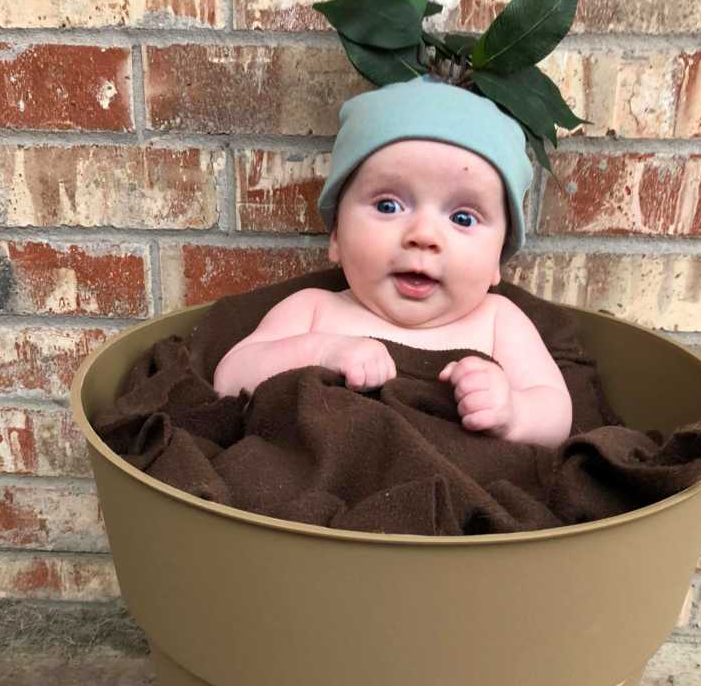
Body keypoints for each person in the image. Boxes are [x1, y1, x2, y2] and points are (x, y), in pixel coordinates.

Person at [212, 75, 572, 448]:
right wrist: (323, 351)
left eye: (463, 218)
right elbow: (230, 377)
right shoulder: (313, 309)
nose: (423, 235)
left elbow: (557, 414)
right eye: (388, 206)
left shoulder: (500, 321)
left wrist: (514, 412)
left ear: (499, 256)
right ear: (336, 235)